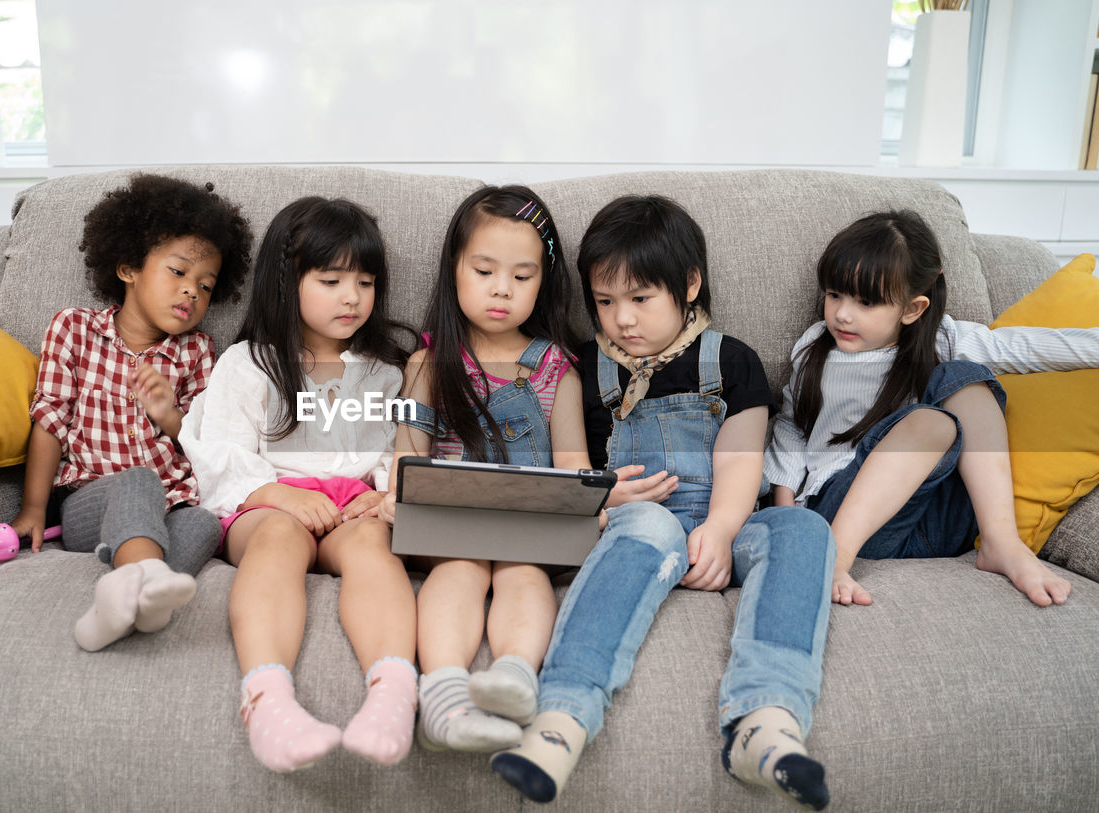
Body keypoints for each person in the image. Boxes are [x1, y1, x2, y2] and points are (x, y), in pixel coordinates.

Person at [491, 195, 836, 810]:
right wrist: (601, 495)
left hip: (724, 518)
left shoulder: (732, 361)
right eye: (604, 302)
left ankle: (766, 719)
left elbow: (741, 456)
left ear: (691, 284)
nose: (622, 319)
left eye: (641, 299)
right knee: (648, 518)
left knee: (802, 527)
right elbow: (569, 468)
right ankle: (562, 718)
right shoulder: (582, 368)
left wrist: (725, 529)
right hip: (631, 524)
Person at [179, 197, 416, 773]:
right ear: (287, 282)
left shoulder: (385, 370)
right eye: (331, 279)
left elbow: (396, 449)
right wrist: (277, 494)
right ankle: (268, 702)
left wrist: (380, 492)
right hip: (264, 504)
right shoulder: (248, 363)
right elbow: (220, 450)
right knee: (280, 538)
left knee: (370, 544)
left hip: (348, 507)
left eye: (365, 282)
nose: (352, 297)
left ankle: (392, 694)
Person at [765, 210, 1098, 608]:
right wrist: (789, 520)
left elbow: (1024, 347)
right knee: (932, 423)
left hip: (934, 524)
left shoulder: (943, 340)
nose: (842, 314)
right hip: (840, 510)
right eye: (835, 295)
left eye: (866, 302)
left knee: (964, 375)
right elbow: (790, 430)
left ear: (913, 309)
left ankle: (1001, 541)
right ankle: (832, 558)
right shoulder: (815, 349)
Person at [379, 186, 593, 753]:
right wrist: (396, 490)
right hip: (449, 523)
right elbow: (407, 448)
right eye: (484, 270)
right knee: (461, 568)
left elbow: (574, 466)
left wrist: (598, 498)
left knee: (523, 572)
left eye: (523, 277)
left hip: (528, 525)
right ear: (455, 269)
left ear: (544, 283)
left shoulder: (557, 370)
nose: (502, 289)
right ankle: (445, 693)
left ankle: (515, 677)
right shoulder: (426, 361)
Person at [10, 173, 252, 653]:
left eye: (206, 286)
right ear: (127, 268)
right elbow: (50, 419)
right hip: (87, 501)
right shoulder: (74, 330)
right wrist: (34, 508)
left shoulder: (197, 351)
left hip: (172, 502)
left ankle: (128, 607)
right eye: (178, 272)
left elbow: (203, 442)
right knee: (138, 479)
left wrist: (170, 416)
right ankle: (143, 580)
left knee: (205, 524)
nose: (191, 293)